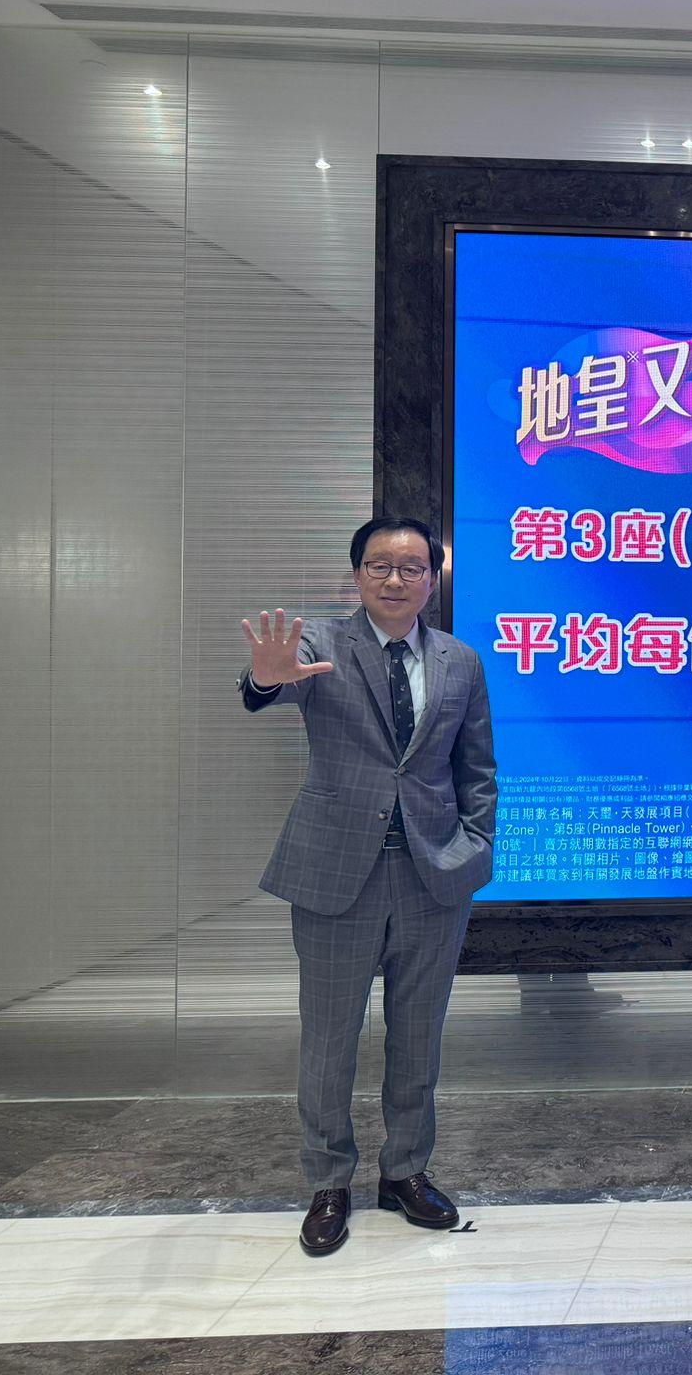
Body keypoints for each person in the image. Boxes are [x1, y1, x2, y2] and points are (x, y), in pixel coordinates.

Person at [240, 517, 496, 1257]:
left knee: (419, 1038)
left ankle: (406, 1172)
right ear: (357, 575)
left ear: (432, 580)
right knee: (329, 1040)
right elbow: (266, 688)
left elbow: (477, 769)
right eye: (380, 565)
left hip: (431, 878)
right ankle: (329, 1183)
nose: (395, 578)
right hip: (334, 874)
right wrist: (265, 678)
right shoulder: (320, 643)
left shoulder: (460, 661)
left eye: (412, 567)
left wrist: (474, 849)